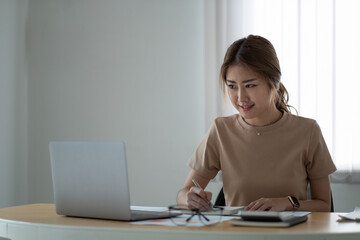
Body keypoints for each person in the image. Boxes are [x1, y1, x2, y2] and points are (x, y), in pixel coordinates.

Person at [176, 35, 336, 212]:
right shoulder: (221, 130)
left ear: (273, 82)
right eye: (232, 86)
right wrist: (190, 199)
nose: (240, 98)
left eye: (250, 85)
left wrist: (288, 203)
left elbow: (324, 205)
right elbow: (183, 194)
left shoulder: (308, 131)